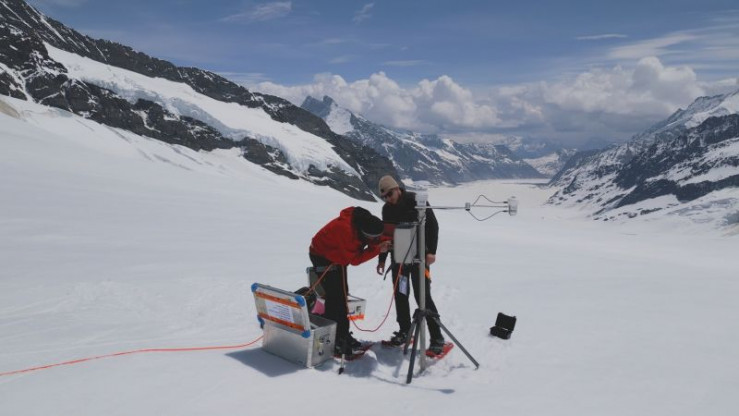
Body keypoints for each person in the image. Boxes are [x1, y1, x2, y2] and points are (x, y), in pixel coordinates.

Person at [376, 175, 446, 355]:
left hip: (419, 258)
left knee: (423, 296)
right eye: (384, 197)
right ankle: (405, 331)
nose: (388, 199)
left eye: (389, 194)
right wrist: (382, 259)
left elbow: (433, 226)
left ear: (397, 189)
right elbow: (386, 236)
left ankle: (437, 338)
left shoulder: (415, 201)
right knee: (400, 294)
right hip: (399, 259)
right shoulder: (386, 209)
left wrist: (432, 252)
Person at [309, 206, 391, 355]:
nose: (376, 240)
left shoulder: (364, 223)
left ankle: (343, 335)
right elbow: (354, 259)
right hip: (322, 255)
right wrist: (377, 249)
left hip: (337, 253)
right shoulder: (345, 231)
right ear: (365, 234)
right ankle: (334, 341)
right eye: (374, 238)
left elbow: (374, 239)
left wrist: (383, 242)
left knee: (342, 294)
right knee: (335, 297)